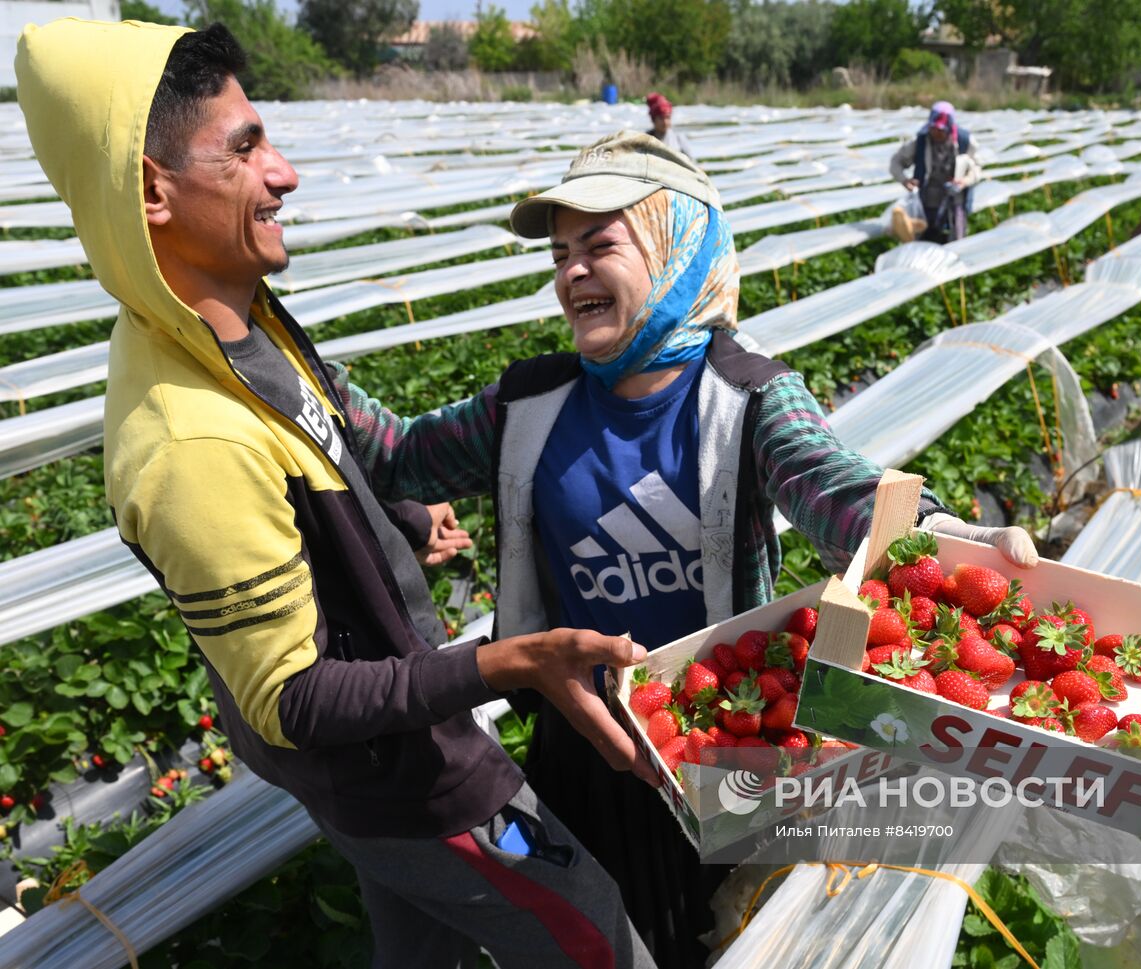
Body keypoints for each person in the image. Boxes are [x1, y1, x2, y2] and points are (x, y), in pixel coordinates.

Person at [16, 20, 658, 969]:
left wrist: (394, 525)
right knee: (591, 925)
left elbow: (316, 472)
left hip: (377, 777)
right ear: (153, 190)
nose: (285, 173)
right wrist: (507, 662)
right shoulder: (186, 438)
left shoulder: (237, 321)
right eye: (244, 149)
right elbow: (295, 698)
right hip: (413, 778)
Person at [331, 131, 1040, 966]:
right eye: (561, 254)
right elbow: (395, 456)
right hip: (579, 740)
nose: (571, 273)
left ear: (678, 250)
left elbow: (832, 486)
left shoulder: (748, 396)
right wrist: (285, 360)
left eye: (600, 245)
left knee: (712, 936)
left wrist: (945, 538)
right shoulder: (527, 403)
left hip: (712, 738)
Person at [888, 100, 983, 244]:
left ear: (950, 128)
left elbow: (976, 168)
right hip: (927, 201)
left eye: (941, 130)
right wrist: (905, 180)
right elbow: (896, 162)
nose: (936, 133)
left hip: (954, 201)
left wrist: (964, 181)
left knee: (956, 241)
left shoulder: (964, 142)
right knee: (923, 238)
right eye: (933, 128)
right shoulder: (920, 141)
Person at [645, 92, 695, 159]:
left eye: (667, 117)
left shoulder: (678, 138)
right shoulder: (646, 139)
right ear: (653, 119)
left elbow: (691, 162)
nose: (665, 122)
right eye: (661, 118)